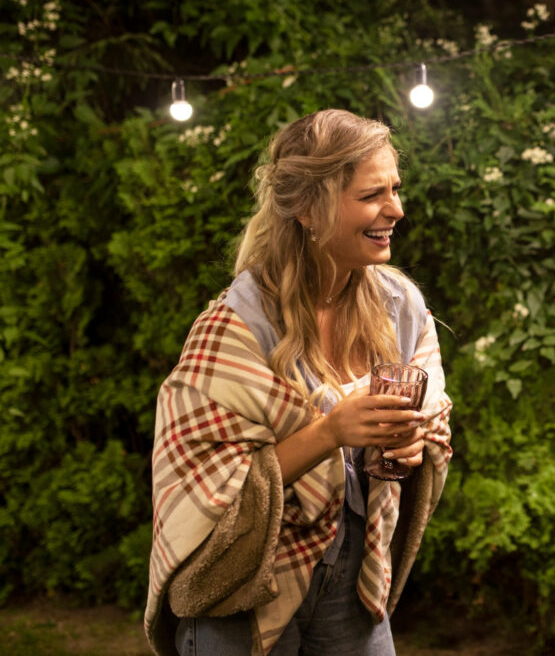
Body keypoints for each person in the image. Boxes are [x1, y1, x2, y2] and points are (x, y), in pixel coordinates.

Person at [144, 109, 453, 655]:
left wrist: (413, 444)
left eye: (395, 189)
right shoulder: (236, 327)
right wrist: (330, 431)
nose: (396, 210)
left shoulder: (400, 307)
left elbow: (432, 421)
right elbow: (200, 488)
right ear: (309, 210)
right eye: (370, 195)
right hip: (246, 584)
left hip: (356, 575)